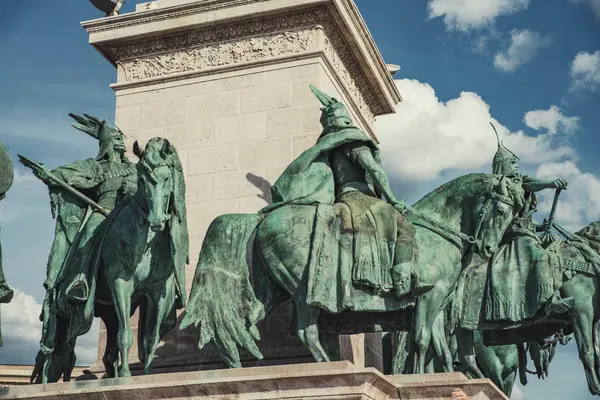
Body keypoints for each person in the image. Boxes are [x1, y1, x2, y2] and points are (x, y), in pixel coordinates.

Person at [265, 85, 431, 299]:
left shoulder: (328, 145)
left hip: (341, 198)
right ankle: (402, 282)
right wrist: (392, 198)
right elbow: (374, 170)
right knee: (403, 225)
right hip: (360, 198)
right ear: (346, 120)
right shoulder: (352, 140)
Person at [485, 123, 572, 323]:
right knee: (540, 256)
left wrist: (541, 228)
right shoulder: (506, 185)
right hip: (514, 237)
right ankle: (548, 299)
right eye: (513, 164)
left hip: (526, 233)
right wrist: (550, 183)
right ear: (505, 165)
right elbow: (529, 183)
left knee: (555, 251)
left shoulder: (516, 183)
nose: (516, 167)